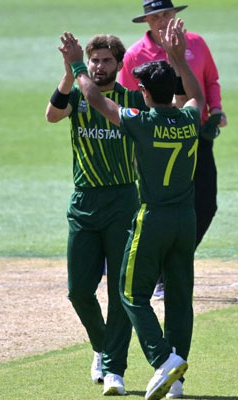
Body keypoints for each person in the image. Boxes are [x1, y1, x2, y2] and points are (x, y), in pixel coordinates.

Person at [59, 17, 204, 400]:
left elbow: (94, 99)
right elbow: (195, 96)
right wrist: (178, 58)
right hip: (186, 220)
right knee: (178, 299)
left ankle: (162, 361)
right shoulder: (190, 118)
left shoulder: (141, 121)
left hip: (152, 217)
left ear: (143, 92)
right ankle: (177, 381)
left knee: (130, 295)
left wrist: (76, 66)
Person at [46, 34, 148, 396]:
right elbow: (52, 115)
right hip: (84, 202)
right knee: (78, 292)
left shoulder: (132, 100)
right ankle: (103, 346)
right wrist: (68, 73)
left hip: (122, 202)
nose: (99, 66)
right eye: (94, 61)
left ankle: (115, 368)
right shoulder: (75, 95)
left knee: (121, 291)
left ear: (119, 65)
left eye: (106, 61)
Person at [119, 0, 224, 299]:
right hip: (154, 139)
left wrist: (216, 110)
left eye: (167, 14)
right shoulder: (134, 55)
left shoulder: (197, 44)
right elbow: (130, 99)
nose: (163, 20)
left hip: (194, 132)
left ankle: (172, 262)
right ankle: (159, 270)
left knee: (206, 203)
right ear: (147, 22)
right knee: (157, 206)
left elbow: (210, 81)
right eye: (157, 17)